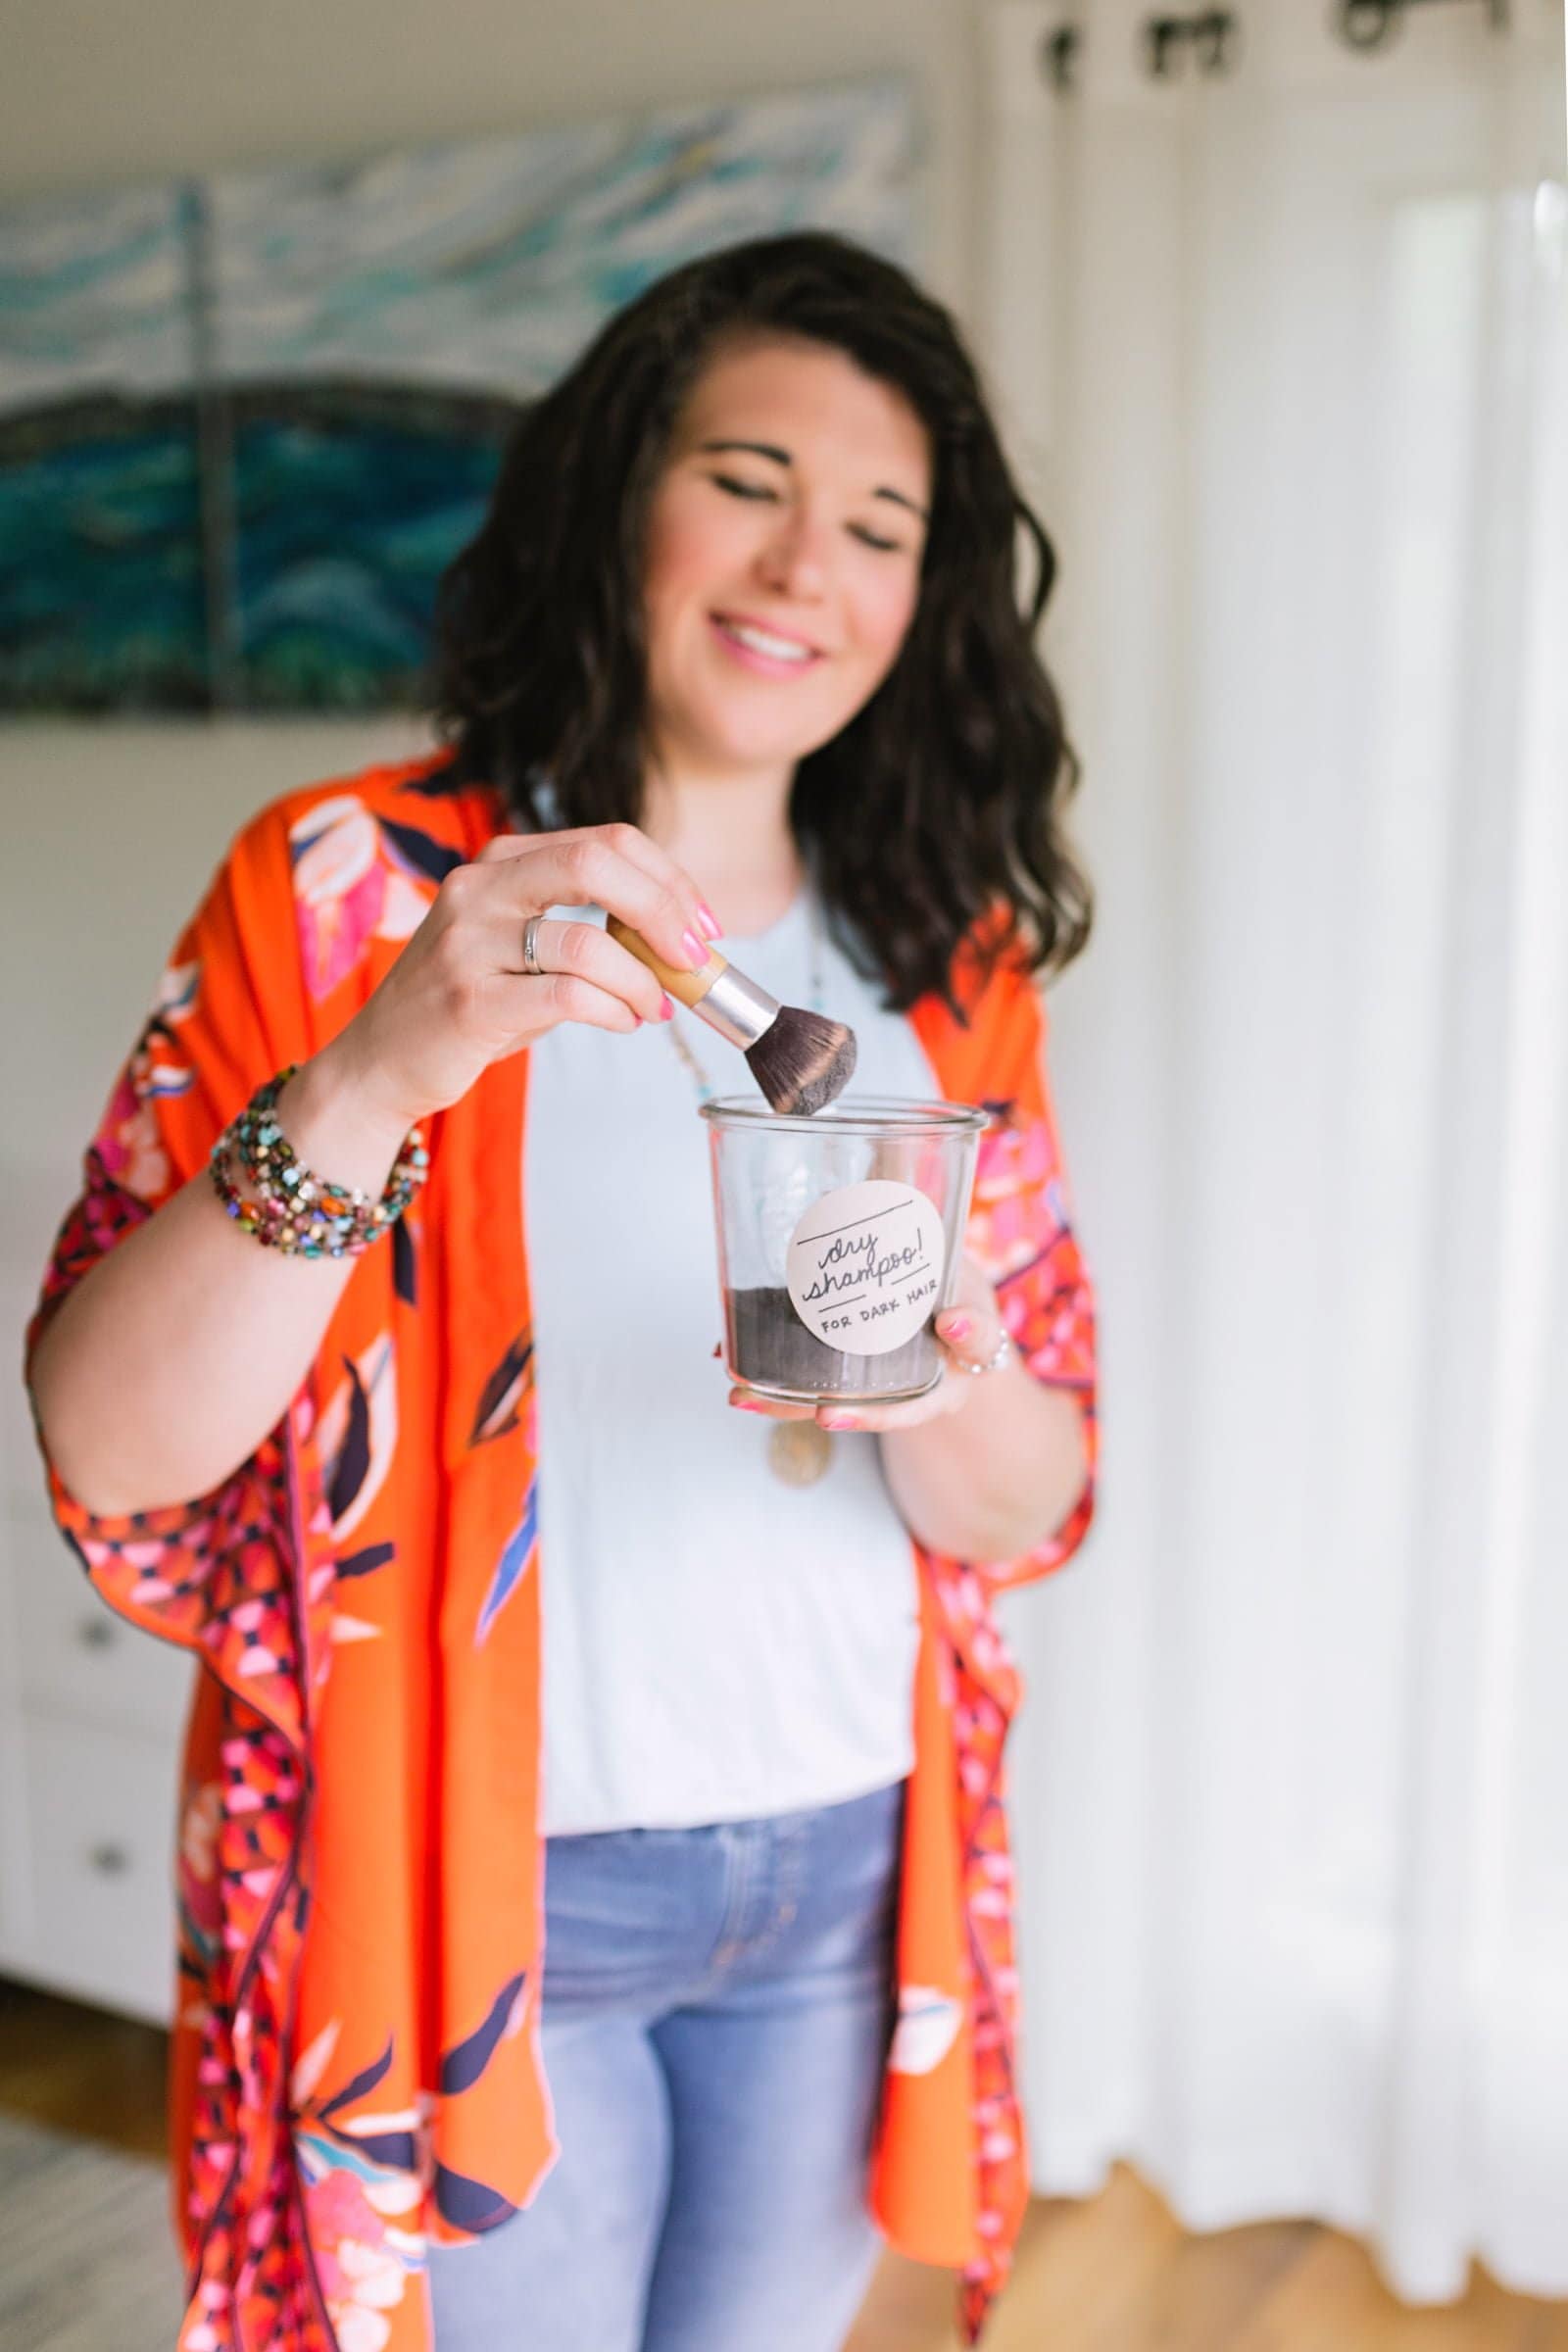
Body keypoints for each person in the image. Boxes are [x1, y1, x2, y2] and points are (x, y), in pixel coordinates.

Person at [24, 230, 1098, 2352]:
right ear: (618, 494)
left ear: (925, 600)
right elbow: (115, 1440)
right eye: (746, 478)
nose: (807, 565)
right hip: (491, 1875)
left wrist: (938, 1366)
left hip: (839, 1864)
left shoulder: (942, 957)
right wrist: (389, 1061)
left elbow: (1020, 1500)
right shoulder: (348, 890)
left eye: (879, 525)